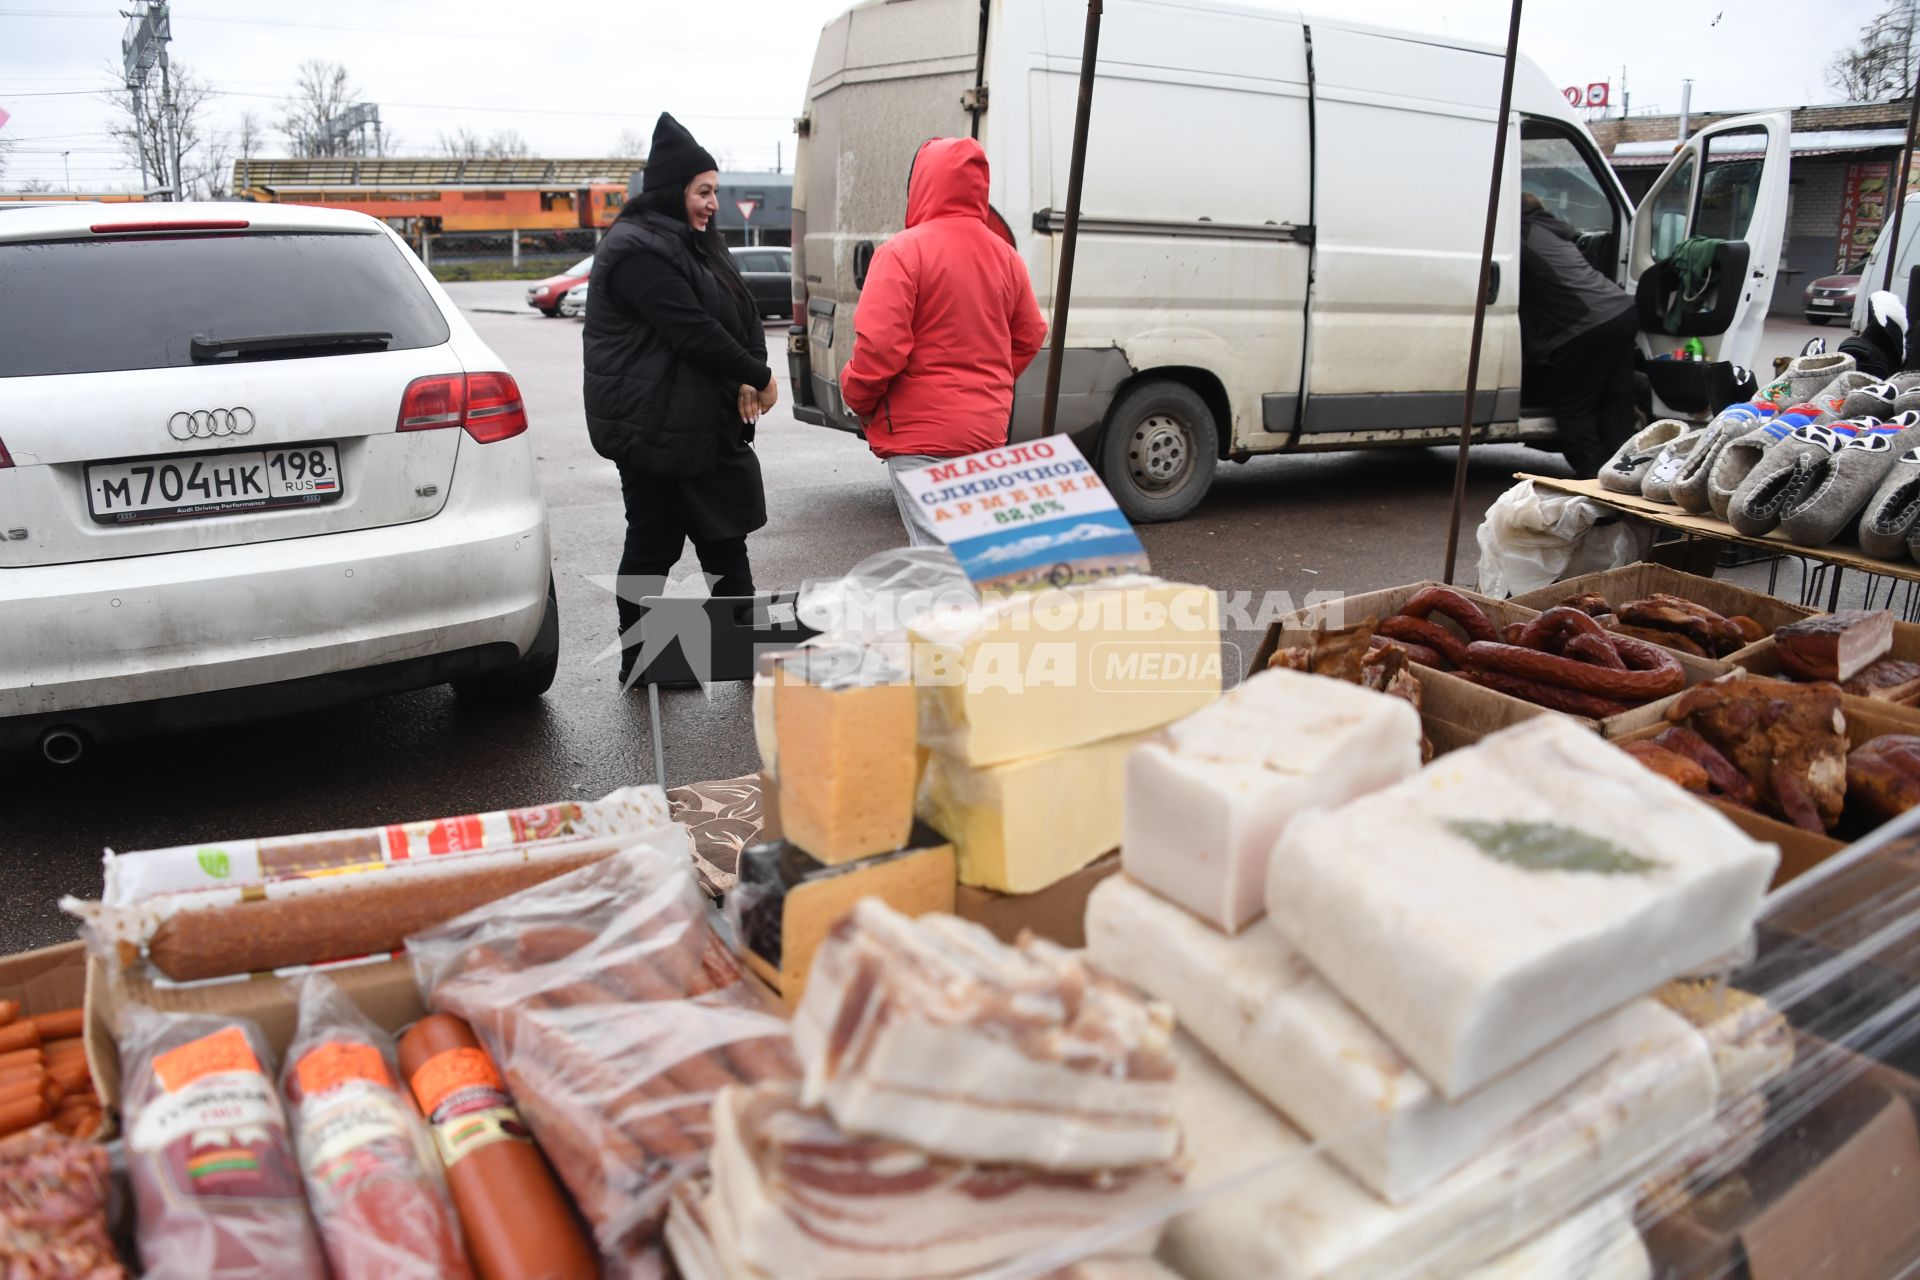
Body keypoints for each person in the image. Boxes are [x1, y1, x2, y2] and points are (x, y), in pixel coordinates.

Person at [582, 112, 777, 682]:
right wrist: (757, 376)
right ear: (673, 192)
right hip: (653, 427)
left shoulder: (694, 245)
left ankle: (740, 653)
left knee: (725, 540)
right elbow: (689, 328)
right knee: (653, 546)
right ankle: (647, 661)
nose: (713, 203)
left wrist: (748, 371)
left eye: (716, 191)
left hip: (699, 421)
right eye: (703, 191)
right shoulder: (637, 250)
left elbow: (740, 313)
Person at [839, 136, 1047, 545]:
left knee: (939, 565)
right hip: (985, 432)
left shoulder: (902, 252)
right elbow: (1030, 334)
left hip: (921, 436)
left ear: (921, 185)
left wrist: (857, 395)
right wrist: (992, 381)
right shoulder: (1006, 256)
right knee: (970, 554)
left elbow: (881, 348)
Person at [1518, 191, 1640, 478]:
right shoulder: (1551, 230)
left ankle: (1593, 477)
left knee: (1573, 408)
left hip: (1586, 325)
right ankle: (1622, 472)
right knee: (1616, 398)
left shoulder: (1521, 235)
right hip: (1621, 310)